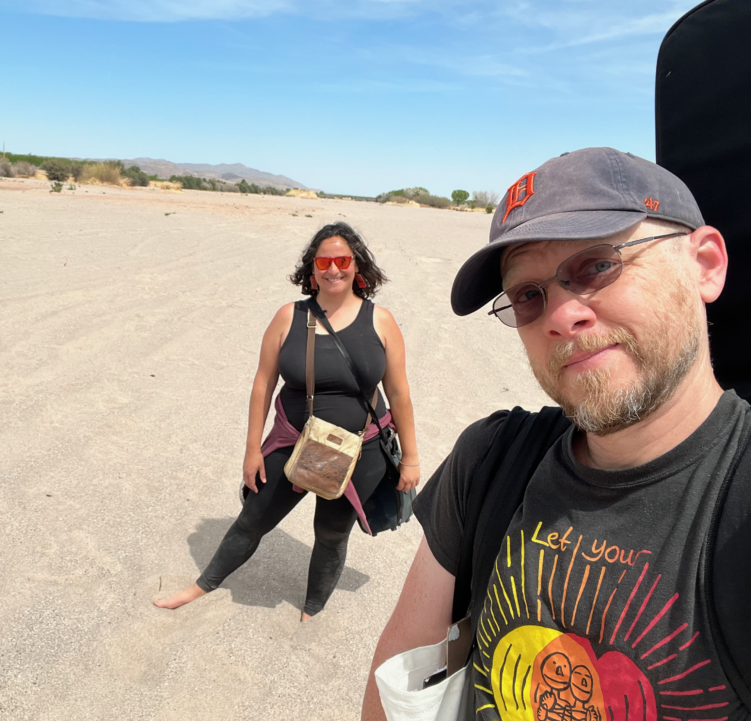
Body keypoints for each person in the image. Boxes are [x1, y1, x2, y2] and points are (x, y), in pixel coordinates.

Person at [361, 148, 750, 719]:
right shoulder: (492, 460)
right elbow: (397, 676)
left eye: (598, 266)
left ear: (705, 265)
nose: (561, 317)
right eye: (528, 295)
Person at [155, 221, 422, 621]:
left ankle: (312, 607)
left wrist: (411, 459)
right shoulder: (288, 317)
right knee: (252, 520)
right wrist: (252, 450)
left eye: (342, 260)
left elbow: (399, 393)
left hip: (359, 450)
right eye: (324, 262)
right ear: (311, 268)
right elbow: (262, 385)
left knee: (331, 534)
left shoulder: (380, 321)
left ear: (356, 265)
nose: (334, 269)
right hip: (294, 442)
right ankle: (202, 585)